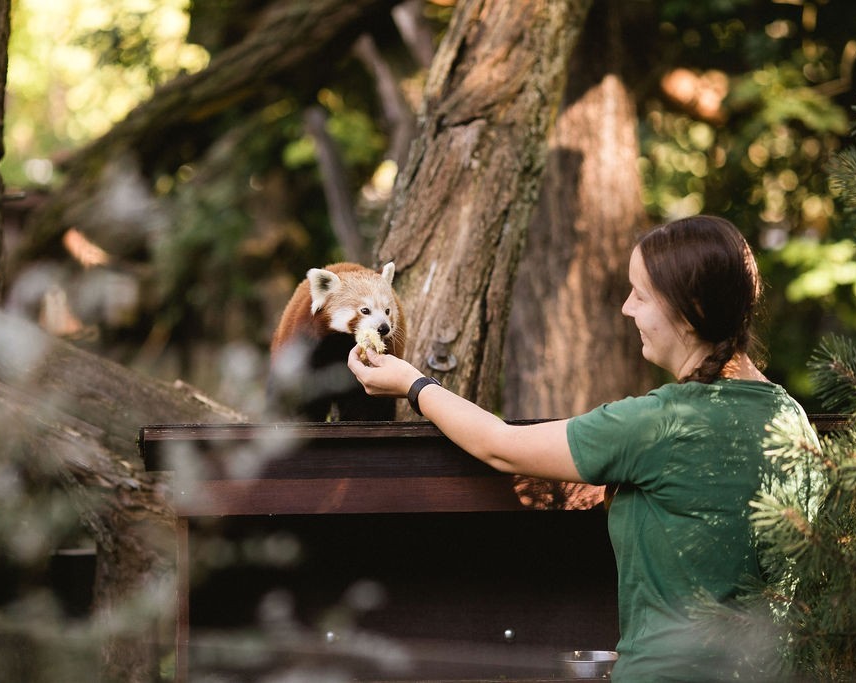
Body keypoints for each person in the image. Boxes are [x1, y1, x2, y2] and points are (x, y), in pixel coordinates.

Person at [347, 215, 819, 681]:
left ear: (690, 306)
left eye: (640, 294)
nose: (625, 308)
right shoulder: (792, 419)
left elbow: (500, 446)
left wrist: (411, 382)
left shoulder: (659, 423)